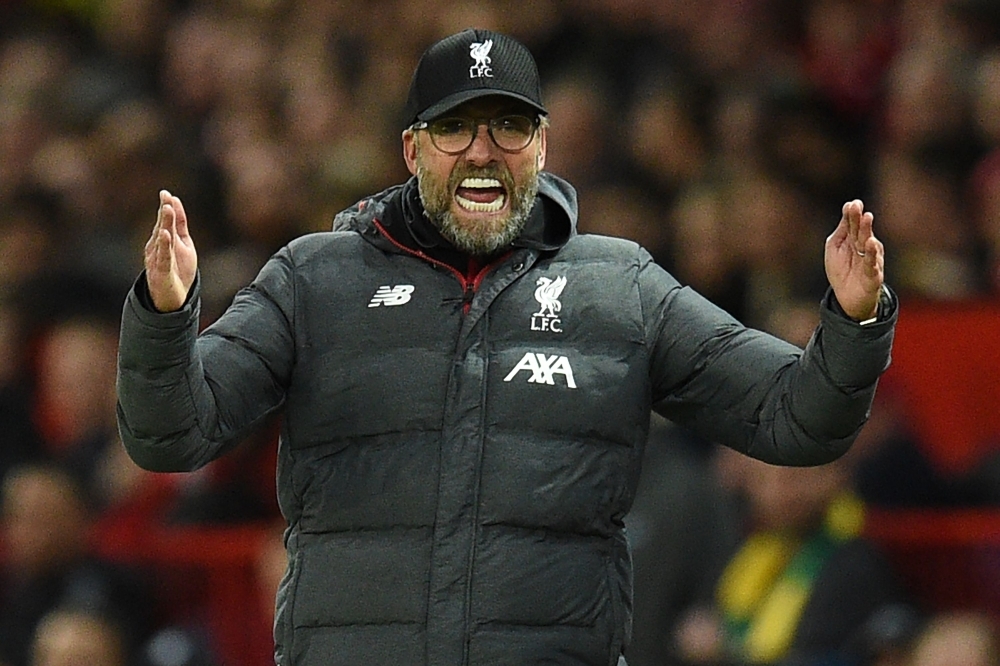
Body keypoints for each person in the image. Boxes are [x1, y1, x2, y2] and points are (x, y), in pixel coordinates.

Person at [115, 28, 897, 666]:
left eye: (509, 126)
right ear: (412, 149)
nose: (482, 151)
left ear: (543, 146)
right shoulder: (311, 279)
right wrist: (164, 312)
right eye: (454, 126)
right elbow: (171, 433)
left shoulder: (620, 287)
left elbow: (797, 422)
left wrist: (853, 320)